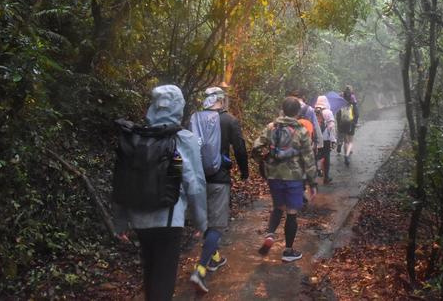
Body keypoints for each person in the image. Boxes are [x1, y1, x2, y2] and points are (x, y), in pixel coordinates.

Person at [114, 85, 207, 301]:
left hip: (139, 219)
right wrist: (201, 221)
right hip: (169, 219)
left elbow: (120, 180)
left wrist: (120, 222)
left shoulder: (135, 138)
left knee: (150, 272)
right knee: (164, 279)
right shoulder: (183, 139)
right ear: (179, 107)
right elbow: (194, 183)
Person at [189, 86, 249, 293]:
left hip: (196, 178)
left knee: (206, 219)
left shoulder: (195, 119)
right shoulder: (229, 120)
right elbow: (240, 148)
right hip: (218, 179)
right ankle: (200, 270)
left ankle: (215, 257)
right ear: (221, 101)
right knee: (217, 225)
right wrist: (244, 171)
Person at [252, 96, 318, 261]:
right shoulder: (302, 130)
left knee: (277, 207)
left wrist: (264, 159)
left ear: (282, 110)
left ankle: (270, 234)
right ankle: (288, 251)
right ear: (297, 112)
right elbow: (309, 159)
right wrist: (312, 182)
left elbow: (256, 147)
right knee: (291, 213)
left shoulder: (271, 127)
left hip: (274, 175)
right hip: (294, 177)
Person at [314, 95, 337, 184]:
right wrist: (333, 140)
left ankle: (317, 171)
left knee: (317, 155)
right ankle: (326, 177)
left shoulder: (313, 111)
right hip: (325, 138)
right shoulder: (328, 112)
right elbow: (331, 127)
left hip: (315, 138)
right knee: (326, 156)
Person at [336, 86, 359, 166]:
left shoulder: (341, 101)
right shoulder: (353, 100)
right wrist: (355, 122)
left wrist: (339, 124)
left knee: (346, 141)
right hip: (351, 123)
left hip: (343, 123)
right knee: (351, 141)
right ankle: (347, 155)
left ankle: (346, 155)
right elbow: (357, 113)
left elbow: (338, 114)